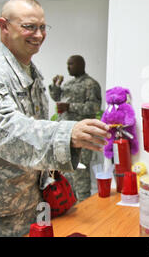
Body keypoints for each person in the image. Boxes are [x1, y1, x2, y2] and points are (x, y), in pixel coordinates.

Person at [0, 0, 110, 237]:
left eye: (42, 27)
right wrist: (65, 133)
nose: (38, 35)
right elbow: (4, 131)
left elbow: (33, 126)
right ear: (4, 26)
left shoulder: (31, 73)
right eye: (29, 27)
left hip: (31, 202)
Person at [49, 55, 102, 202]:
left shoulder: (91, 84)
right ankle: (69, 203)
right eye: (67, 64)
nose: (68, 67)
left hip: (83, 135)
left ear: (81, 65)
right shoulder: (68, 84)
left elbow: (94, 107)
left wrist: (70, 107)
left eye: (71, 64)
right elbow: (57, 97)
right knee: (66, 172)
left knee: (81, 171)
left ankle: (85, 204)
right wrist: (55, 86)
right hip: (65, 134)